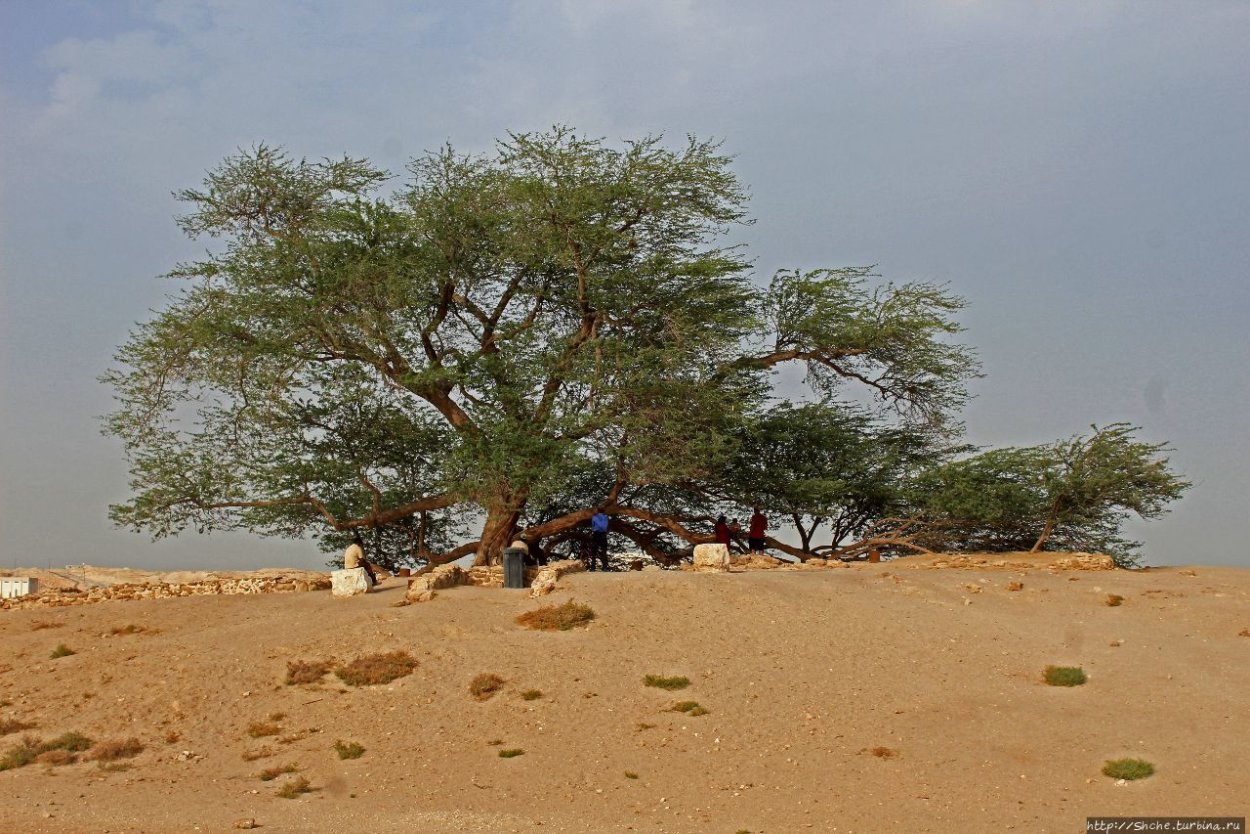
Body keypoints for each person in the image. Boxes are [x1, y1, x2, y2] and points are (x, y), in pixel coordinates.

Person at [589, 506, 610, 571]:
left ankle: (593, 567)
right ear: (603, 511)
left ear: (598, 511)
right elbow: (607, 526)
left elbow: (593, 525)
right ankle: (605, 567)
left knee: (594, 551)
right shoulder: (606, 517)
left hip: (596, 534)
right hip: (603, 534)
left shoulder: (594, 517)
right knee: (604, 551)